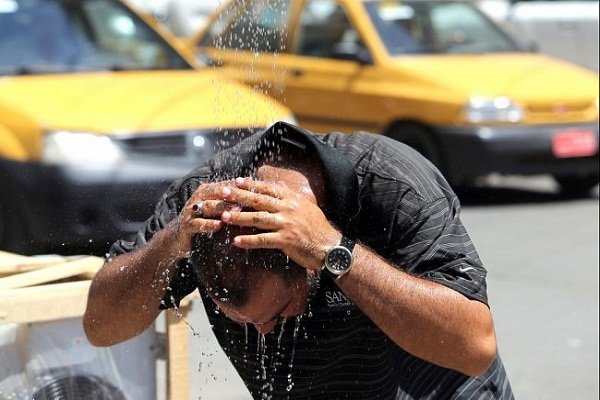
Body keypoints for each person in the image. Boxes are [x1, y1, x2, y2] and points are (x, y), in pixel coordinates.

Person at [83, 121, 514, 399]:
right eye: (239, 322)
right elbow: (100, 327)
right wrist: (169, 243)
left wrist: (335, 251)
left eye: (275, 314)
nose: (261, 333)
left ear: (306, 266)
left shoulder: (394, 185)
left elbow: (473, 347)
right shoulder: (204, 208)